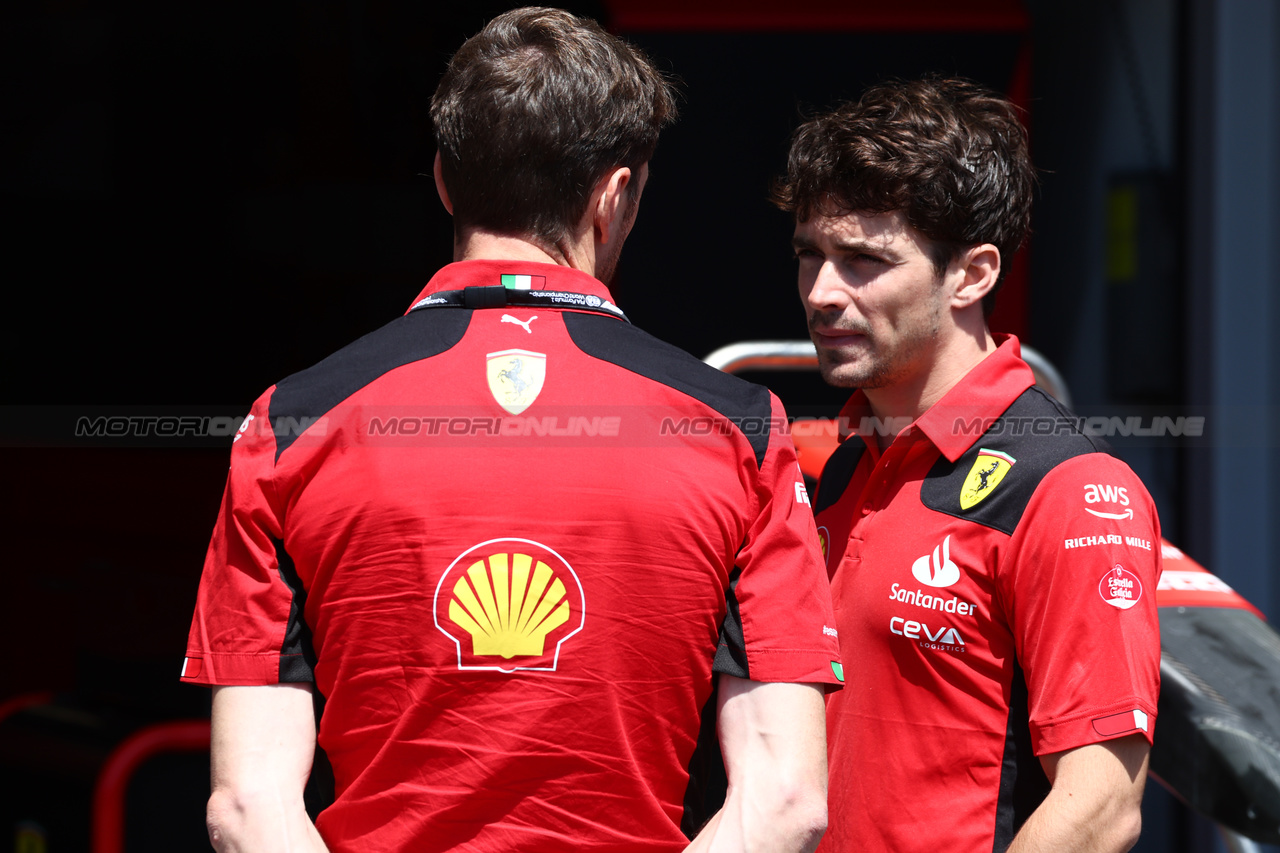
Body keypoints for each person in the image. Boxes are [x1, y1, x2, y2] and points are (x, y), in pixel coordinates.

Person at [181, 8, 841, 853]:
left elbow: (246, 805)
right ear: (617, 195)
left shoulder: (290, 422)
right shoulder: (741, 429)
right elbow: (787, 799)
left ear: (445, 181)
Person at [771, 77, 1162, 853]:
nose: (822, 292)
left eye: (863, 261)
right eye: (810, 255)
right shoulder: (846, 466)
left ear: (974, 274)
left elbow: (1102, 807)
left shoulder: (1070, 490)